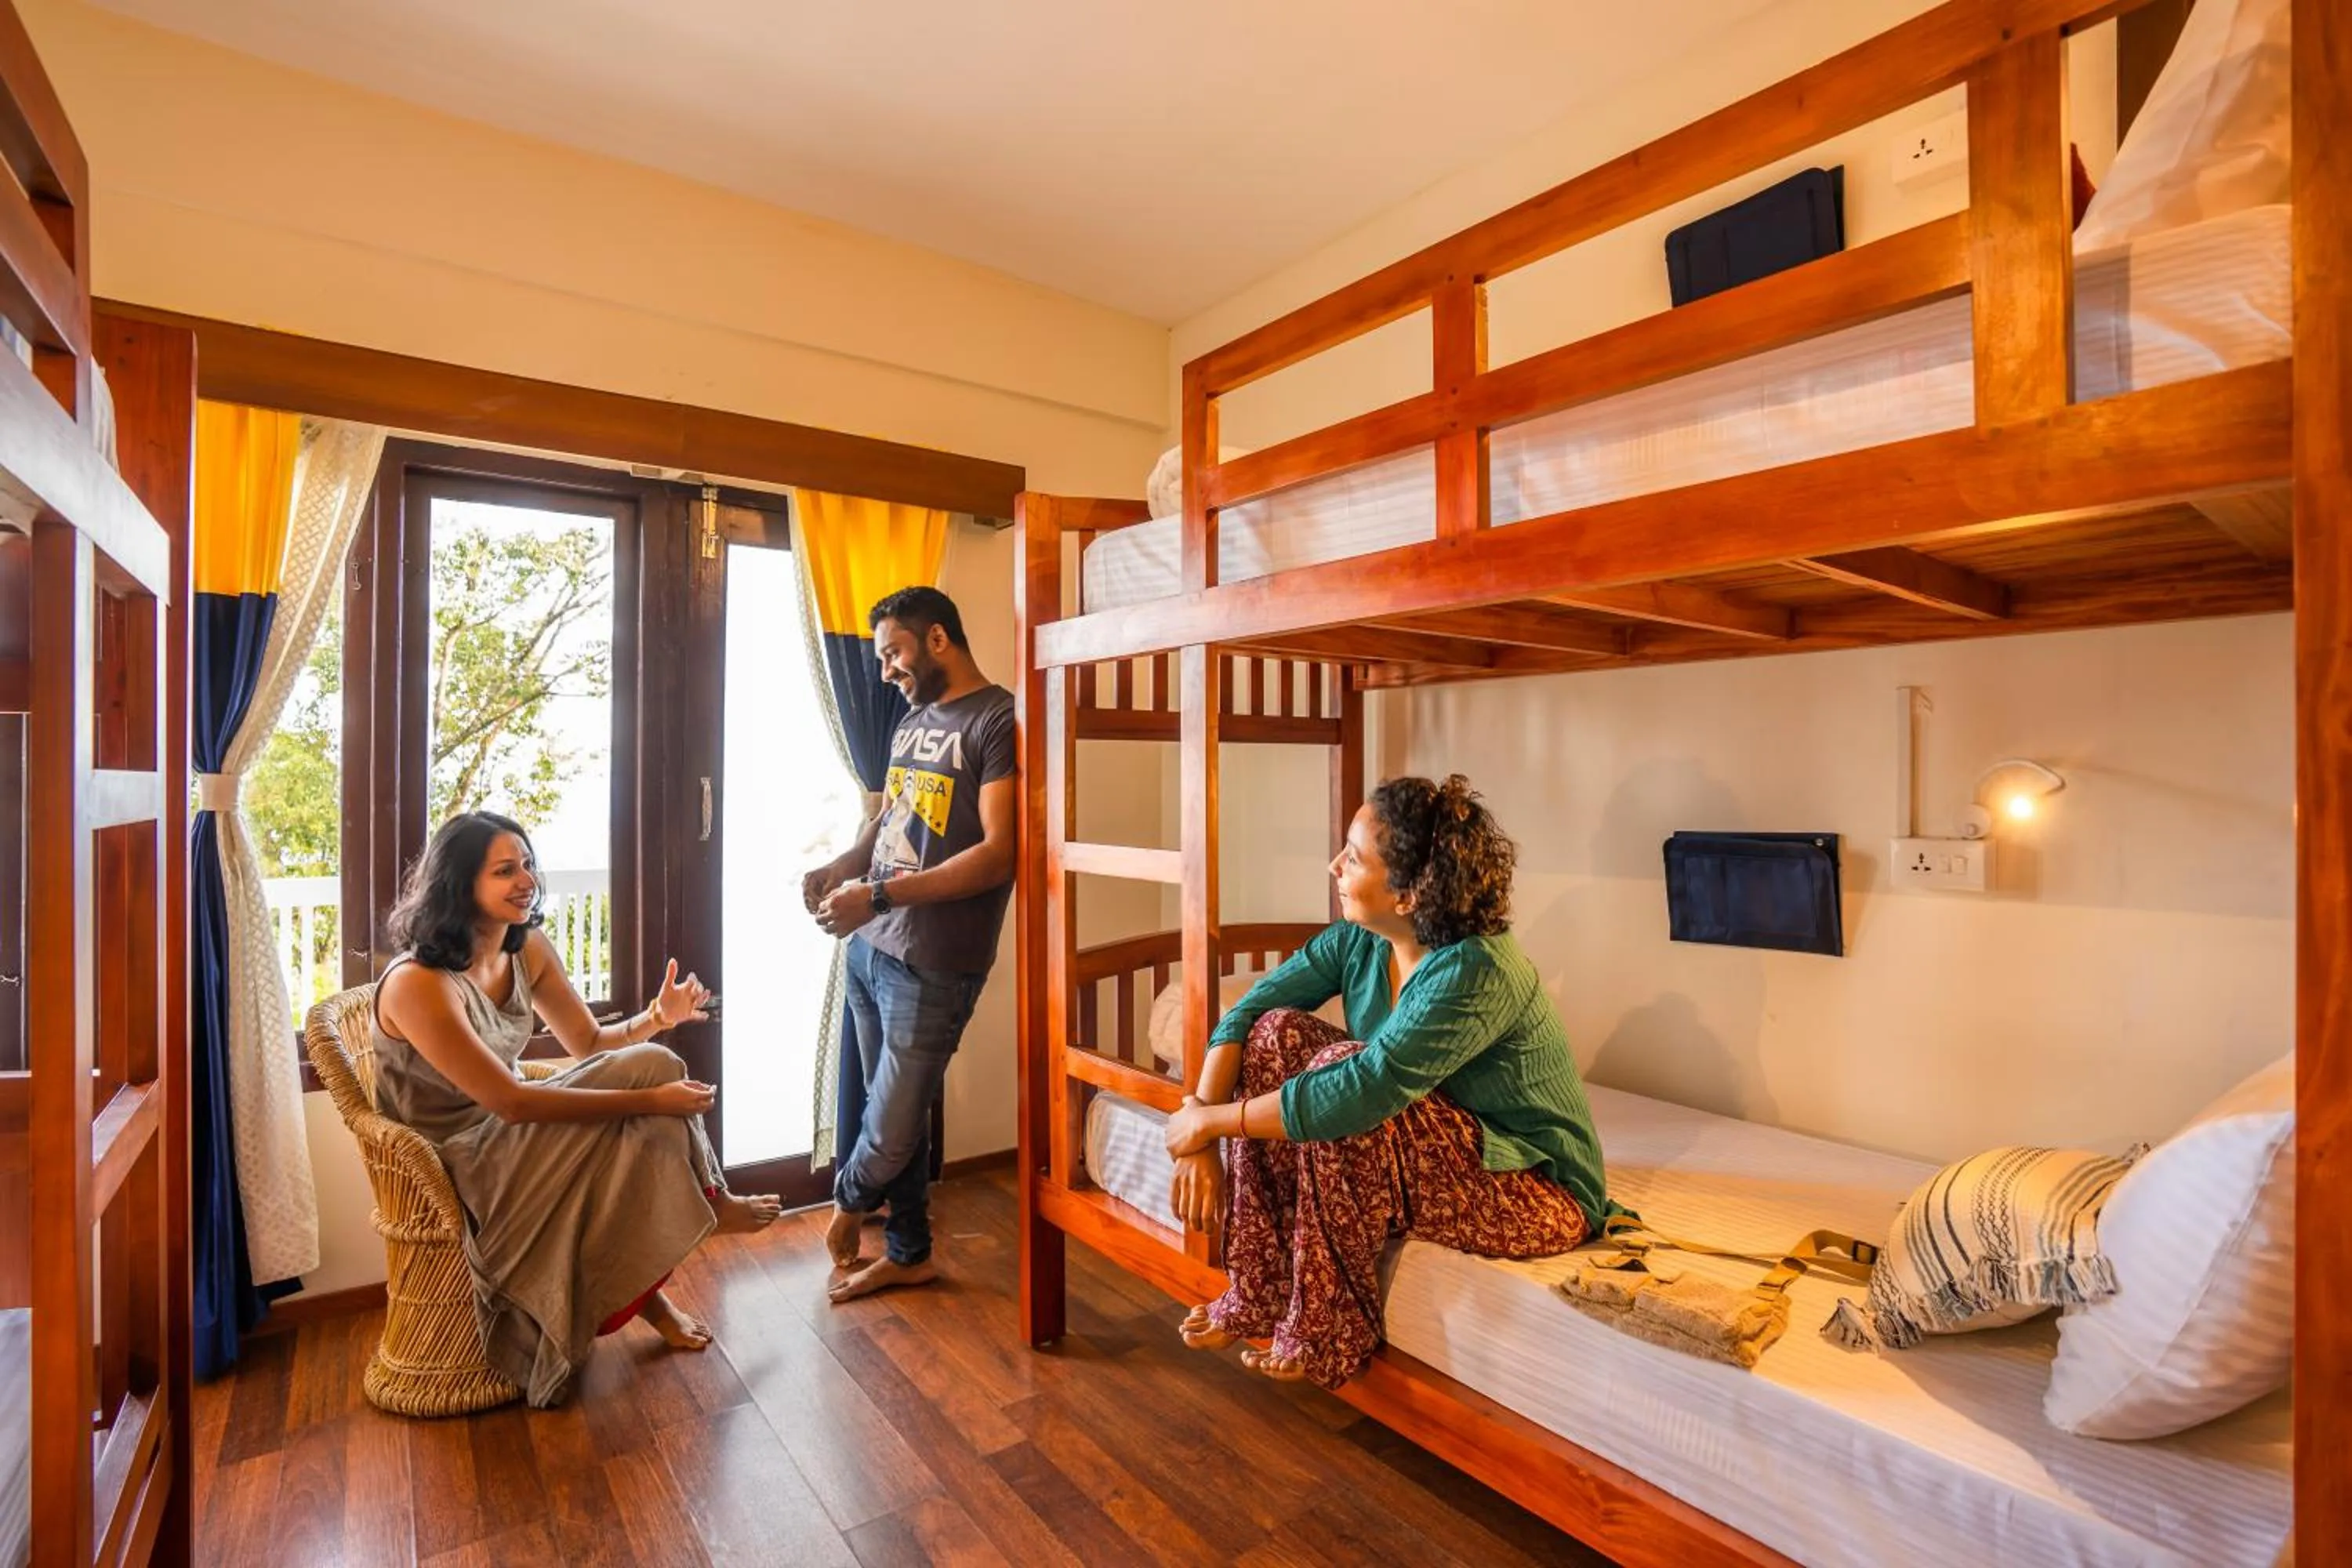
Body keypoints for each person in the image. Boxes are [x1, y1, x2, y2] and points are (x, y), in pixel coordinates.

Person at [1160, 775, 1614, 1388]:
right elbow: (1246, 1014)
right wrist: (1198, 1133)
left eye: (1353, 856)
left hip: (1534, 1187)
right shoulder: (1359, 941)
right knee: (1276, 1034)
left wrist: (1211, 1121)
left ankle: (1328, 1330)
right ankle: (1260, 1291)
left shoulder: (1477, 969)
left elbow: (1366, 1089)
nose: (1334, 866)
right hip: (1443, 1148)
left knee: (1337, 1076)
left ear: (1408, 894)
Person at [373, 811, 783, 1407]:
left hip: (515, 1134)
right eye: (505, 870)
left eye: (529, 865)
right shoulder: (418, 984)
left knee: (654, 1062)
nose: (526, 881)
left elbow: (588, 1045)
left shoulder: (526, 948)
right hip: (458, 1159)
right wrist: (652, 1101)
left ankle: (697, 1225)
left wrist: (656, 1019)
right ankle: (703, 1217)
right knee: (650, 1096)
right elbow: (511, 1102)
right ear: (460, 885)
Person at [804, 586, 1017, 1303]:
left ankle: (849, 1206)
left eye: (894, 652)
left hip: (935, 957)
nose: (887, 670)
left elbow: (999, 855)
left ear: (936, 640)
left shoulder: (999, 718)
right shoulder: (911, 721)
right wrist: (844, 865)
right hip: (872, 944)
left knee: (892, 1122)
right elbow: (890, 818)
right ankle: (910, 1251)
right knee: (898, 1109)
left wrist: (883, 894)